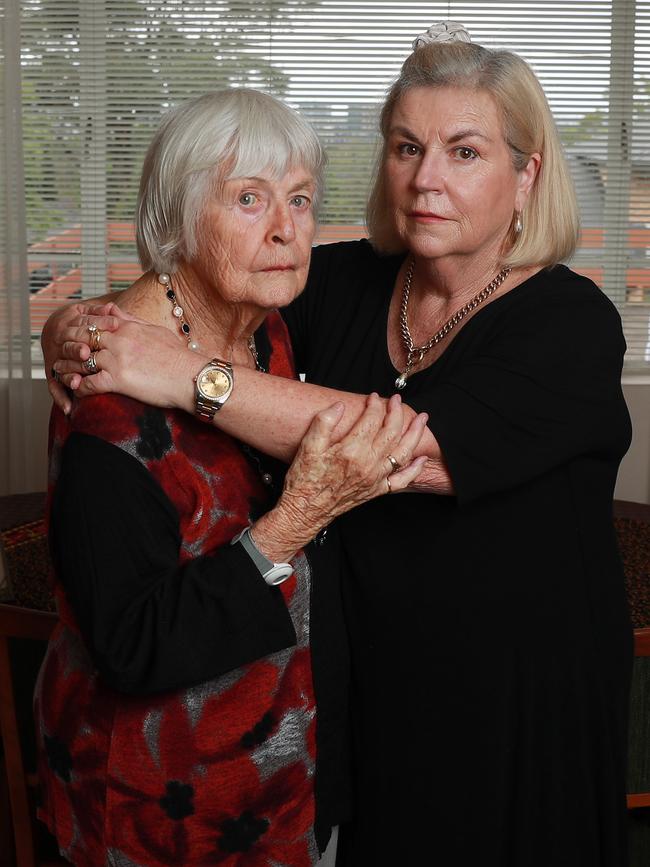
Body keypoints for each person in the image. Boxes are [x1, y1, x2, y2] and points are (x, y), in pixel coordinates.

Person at [44, 23, 633, 867]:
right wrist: (78, 328)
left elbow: (406, 452)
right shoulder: (347, 282)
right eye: (405, 147)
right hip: (360, 697)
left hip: (513, 702)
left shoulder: (570, 324)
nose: (426, 179)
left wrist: (185, 375)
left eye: (464, 152)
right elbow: (213, 276)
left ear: (527, 173)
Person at [36, 87, 428, 867]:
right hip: (166, 819)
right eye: (249, 199)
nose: (287, 229)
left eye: (301, 199)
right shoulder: (107, 410)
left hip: (289, 784)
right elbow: (133, 647)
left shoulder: (267, 328)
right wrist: (295, 518)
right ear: (179, 217)